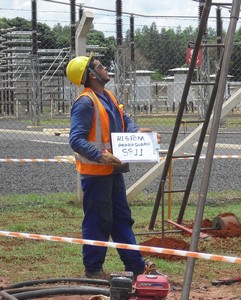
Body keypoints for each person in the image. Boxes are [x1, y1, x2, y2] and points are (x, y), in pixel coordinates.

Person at [66, 53, 161, 279]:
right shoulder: (86, 103)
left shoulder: (106, 96)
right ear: (91, 75)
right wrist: (100, 155)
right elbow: (75, 139)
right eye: (100, 66)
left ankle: (136, 267)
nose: (105, 67)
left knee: (121, 219)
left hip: (112, 171)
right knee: (98, 221)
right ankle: (93, 270)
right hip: (96, 173)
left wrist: (136, 131)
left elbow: (123, 119)